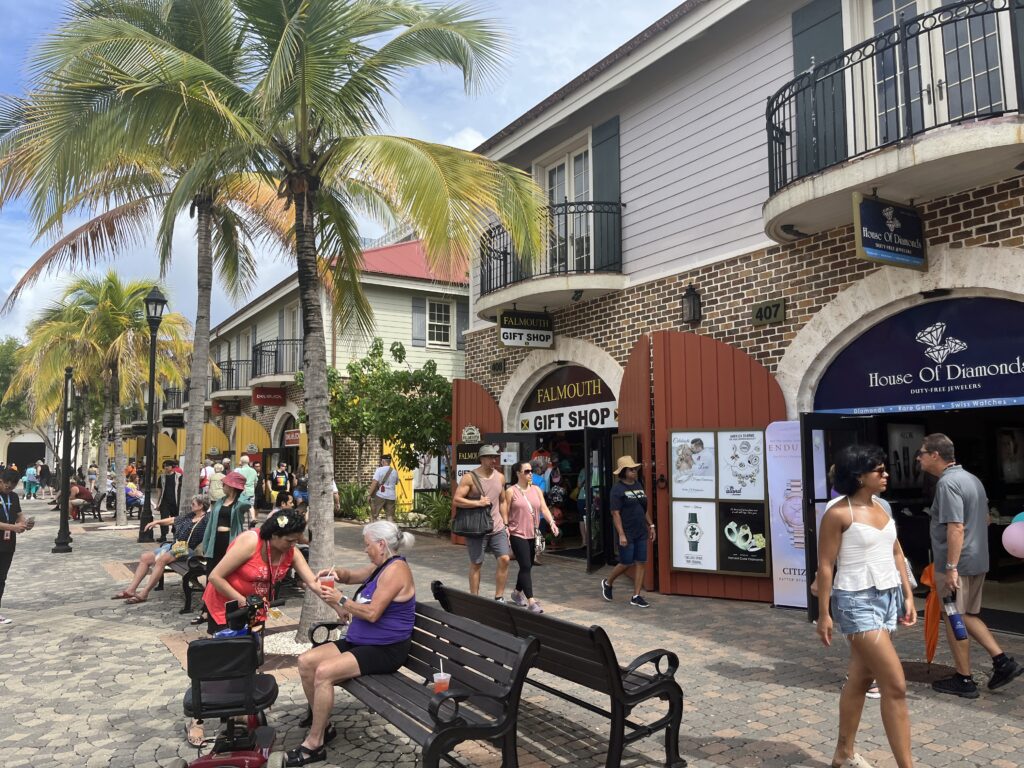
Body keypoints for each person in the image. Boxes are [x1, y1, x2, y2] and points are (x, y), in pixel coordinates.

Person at [816, 445, 916, 768]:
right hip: (856, 601)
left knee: (859, 678)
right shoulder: (838, 512)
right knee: (895, 684)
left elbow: (896, 552)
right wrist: (824, 614)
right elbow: (826, 566)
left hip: (887, 599)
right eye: (878, 470)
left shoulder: (881, 508)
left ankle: (843, 753)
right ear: (859, 476)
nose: (885, 474)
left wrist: (908, 593)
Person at [291, 521, 416, 767]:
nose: (364, 549)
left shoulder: (396, 570)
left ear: (381, 545)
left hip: (386, 649)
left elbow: (372, 613)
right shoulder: (381, 566)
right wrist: (337, 574)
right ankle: (324, 725)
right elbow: (354, 576)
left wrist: (342, 600)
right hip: (360, 642)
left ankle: (315, 743)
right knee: (306, 662)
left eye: (367, 544)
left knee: (324, 673)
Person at [198, 510, 319, 747]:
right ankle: (199, 720)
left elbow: (313, 582)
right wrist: (242, 601)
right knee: (220, 664)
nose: (293, 545)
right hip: (226, 606)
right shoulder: (251, 542)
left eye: (296, 540)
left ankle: (238, 713)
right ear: (273, 535)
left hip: (254, 611)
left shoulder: (289, 551)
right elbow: (215, 576)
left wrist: (339, 602)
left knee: (248, 661)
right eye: (289, 540)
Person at [918, 433, 1022, 697]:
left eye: (921, 452)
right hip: (976, 559)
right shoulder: (972, 479)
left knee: (954, 616)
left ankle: (965, 679)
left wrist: (951, 567)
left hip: (957, 564)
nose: (918, 457)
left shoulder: (947, 484)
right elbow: (985, 518)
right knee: (965, 614)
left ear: (935, 456)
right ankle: (1001, 662)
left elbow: (955, 527)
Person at [111, 495, 209, 604]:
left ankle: (144, 593)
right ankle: (131, 590)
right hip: (176, 546)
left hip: (187, 549)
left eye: (193, 504)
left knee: (162, 560)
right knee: (145, 557)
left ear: (201, 506)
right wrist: (156, 522)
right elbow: (173, 519)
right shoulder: (190, 516)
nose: (191, 506)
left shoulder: (206, 519)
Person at [453, 444, 510, 601]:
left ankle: (499, 597)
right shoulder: (470, 478)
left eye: (495, 457)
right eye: (491, 457)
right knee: (477, 564)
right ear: (482, 459)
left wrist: (505, 523)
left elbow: (503, 500)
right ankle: (475, 599)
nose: (494, 460)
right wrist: (478, 503)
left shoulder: (500, 477)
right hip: (478, 528)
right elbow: (457, 500)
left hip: (497, 527)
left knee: (505, 559)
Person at [501, 462, 559, 613]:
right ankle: (531, 601)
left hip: (533, 533)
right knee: (526, 565)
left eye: (531, 471)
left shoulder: (537, 490)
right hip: (517, 533)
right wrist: (506, 527)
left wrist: (552, 522)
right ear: (518, 473)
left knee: (528, 566)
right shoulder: (511, 491)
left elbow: (544, 508)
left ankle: (516, 593)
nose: (530, 474)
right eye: (526, 471)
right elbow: (505, 511)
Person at [601, 456, 655, 608]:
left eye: (635, 469)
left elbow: (643, 508)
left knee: (641, 562)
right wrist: (621, 534)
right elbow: (615, 513)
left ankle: (636, 596)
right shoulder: (617, 490)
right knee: (626, 562)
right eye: (631, 469)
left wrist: (651, 526)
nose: (634, 472)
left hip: (641, 530)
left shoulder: (638, 484)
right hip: (627, 531)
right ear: (624, 472)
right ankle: (608, 582)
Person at [199, 470, 253, 574]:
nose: (222, 486)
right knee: (212, 571)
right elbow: (211, 523)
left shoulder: (239, 504)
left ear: (231, 486)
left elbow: (247, 503)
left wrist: (240, 491)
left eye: (225, 484)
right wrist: (205, 543)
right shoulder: (220, 501)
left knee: (227, 572)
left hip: (230, 540)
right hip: (216, 539)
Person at [0, 468, 35, 624]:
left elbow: (20, 517)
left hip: (8, 544)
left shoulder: (13, 497)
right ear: (1, 481)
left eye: (12, 487)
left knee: (1, 578)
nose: (9, 489)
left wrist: (26, 524)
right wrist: (12, 527)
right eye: (7, 486)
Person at [155, 460, 183, 542]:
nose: (166, 467)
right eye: (164, 466)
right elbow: (159, 490)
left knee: (176, 519)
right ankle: (163, 536)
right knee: (163, 518)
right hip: (165, 501)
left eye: (167, 465)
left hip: (176, 502)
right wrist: (158, 503)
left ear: (172, 467)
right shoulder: (162, 477)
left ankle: (175, 535)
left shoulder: (179, 476)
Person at [367, 455, 398, 523]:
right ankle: (391, 532)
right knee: (390, 516)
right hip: (391, 496)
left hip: (380, 495)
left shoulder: (379, 470)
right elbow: (396, 482)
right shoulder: (395, 471)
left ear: (383, 461)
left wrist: (369, 494)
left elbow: (374, 483)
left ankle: (373, 531)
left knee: (374, 515)